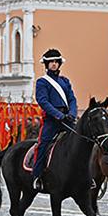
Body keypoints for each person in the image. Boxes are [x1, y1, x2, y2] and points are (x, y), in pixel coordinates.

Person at [32, 48, 78, 192]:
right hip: (52, 120)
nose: (53, 64)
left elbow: (72, 98)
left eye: (55, 62)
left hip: (67, 118)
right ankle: (37, 176)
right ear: (46, 64)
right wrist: (58, 115)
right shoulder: (42, 82)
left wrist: (72, 113)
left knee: (81, 142)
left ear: (59, 64)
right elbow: (43, 101)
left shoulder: (65, 81)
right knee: (43, 144)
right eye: (50, 62)